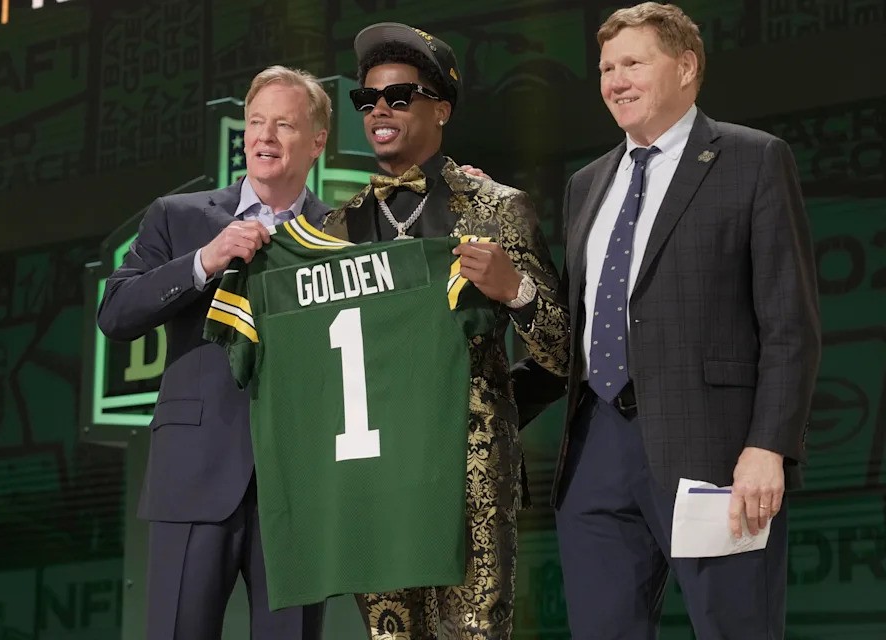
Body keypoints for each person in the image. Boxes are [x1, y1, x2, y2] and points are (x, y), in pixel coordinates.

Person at [507, 3, 821, 638]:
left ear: (685, 67)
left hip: (718, 454)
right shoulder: (586, 183)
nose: (615, 80)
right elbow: (576, 328)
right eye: (605, 68)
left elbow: (790, 322)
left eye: (632, 63)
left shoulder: (752, 160)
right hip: (593, 451)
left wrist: (769, 447)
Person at [322, 22, 570, 640]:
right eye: (367, 99)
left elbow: (565, 354)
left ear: (441, 108)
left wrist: (516, 291)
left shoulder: (496, 207)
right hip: (373, 481)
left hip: (472, 482)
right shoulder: (335, 229)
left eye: (399, 96)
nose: (379, 109)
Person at [97, 65, 332, 640]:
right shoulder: (179, 218)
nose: (265, 137)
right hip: (193, 474)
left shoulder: (343, 233)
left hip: (299, 487)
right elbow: (117, 313)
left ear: (317, 141)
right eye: (256, 123)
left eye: (283, 124)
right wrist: (205, 260)